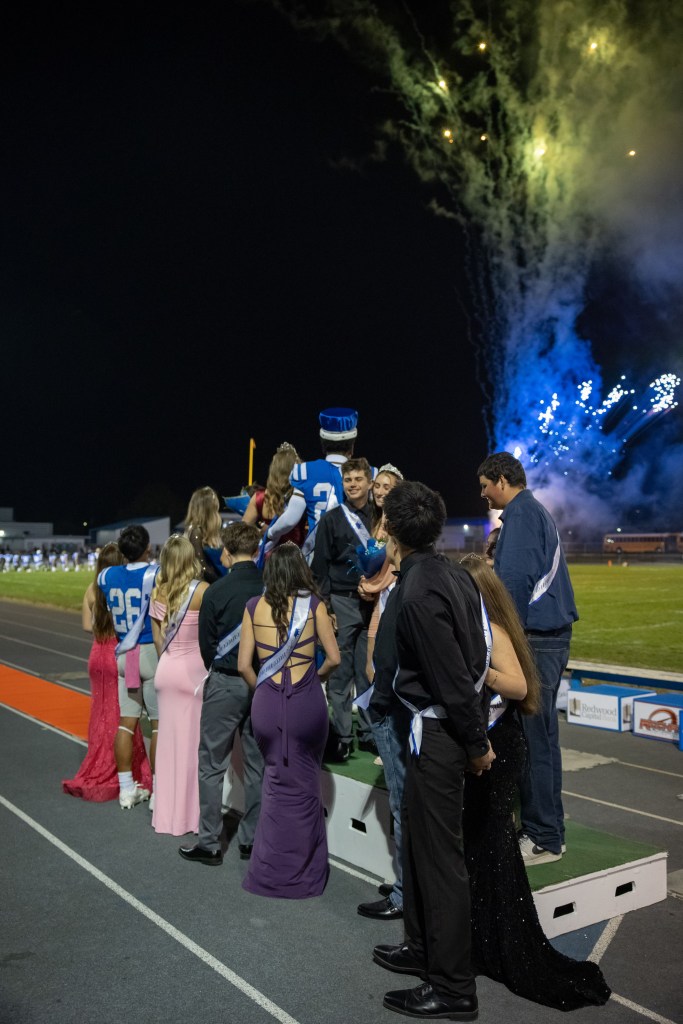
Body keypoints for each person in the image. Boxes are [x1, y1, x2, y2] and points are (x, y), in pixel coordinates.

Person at [459, 555, 610, 1010]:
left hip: (500, 748)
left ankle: (504, 942)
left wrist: (477, 669)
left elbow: (521, 688)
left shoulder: (497, 632)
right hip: (483, 745)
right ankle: (482, 939)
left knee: (493, 846)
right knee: (478, 847)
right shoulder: (474, 628)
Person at [372, 481, 493, 1023]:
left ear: (391, 529)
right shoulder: (446, 573)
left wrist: (476, 742)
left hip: (441, 734)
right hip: (435, 729)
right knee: (421, 849)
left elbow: (452, 677)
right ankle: (422, 948)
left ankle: (453, 987)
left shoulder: (421, 589)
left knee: (441, 862)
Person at [478, 452, 578, 865]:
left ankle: (543, 837)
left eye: (485, 485)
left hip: (536, 639)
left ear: (501, 480)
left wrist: (503, 642)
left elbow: (513, 585)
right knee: (543, 738)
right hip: (547, 638)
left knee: (534, 740)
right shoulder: (531, 511)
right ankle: (548, 830)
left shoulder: (520, 515)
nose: (483, 494)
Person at [238, 543, 340, 899]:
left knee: (273, 781)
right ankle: (304, 872)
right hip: (305, 702)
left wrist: (265, 690)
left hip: (266, 704)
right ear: (300, 570)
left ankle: (269, 871)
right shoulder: (315, 606)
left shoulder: (253, 606)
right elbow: (334, 658)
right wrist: (314, 678)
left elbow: (244, 666)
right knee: (307, 783)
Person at [179, 522, 265, 866]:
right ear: (256, 550)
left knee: (212, 764)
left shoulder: (215, 591)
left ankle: (210, 843)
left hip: (226, 681)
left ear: (226, 551)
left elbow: (207, 646)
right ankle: (252, 841)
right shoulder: (269, 587)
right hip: (262, 684)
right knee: (258, 766)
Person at [63, 543, 152, 801]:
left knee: (100, 712)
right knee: (126, 715)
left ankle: (99, 760)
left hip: (97, 655)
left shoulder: (91, 590)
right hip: (119, 653)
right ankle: (126, 772)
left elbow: (85, 626)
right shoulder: (118, 588)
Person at [356, 535, 409, 922]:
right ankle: (408, 885)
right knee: (404, 802)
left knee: (403, 803)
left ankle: (407, 894)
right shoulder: (408, 583)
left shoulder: (408, 586)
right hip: (401, 703)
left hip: (400, 706)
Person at [311, 457, 375, 759]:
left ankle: (368, 733)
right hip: (342, 600)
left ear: (369, 482)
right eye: (348, 480)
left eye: (358, 479)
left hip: (373, 604)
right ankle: (342, 736)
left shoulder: (380, 516)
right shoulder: (332, 519)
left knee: (368, 671)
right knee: (339, 673)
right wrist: (326, 608)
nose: (352, 484)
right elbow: (320, 566)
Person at [149, 535, 209, 835]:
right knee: (192, 748)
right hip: (192, 674)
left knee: (168, 747)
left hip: (166, 670)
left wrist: (169, 661)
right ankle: (190, 818)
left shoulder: (158, 591)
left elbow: (158, 639)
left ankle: (166, 816)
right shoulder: (202, 591)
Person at [98, 524, 159, 810]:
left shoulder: (107, 575)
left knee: (127, 723)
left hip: (124, 653)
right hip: (149, 652)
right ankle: (159, 792)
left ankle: (126, 789)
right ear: (147, 548)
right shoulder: (156, 574)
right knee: (158, 727)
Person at [264, 407, 359, 558]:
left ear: (323, 443)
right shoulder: (366, 474)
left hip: (317, 555)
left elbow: (290, 519)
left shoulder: (304, 471)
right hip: (352, 557)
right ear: (352, 446)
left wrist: (270, 534)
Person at [357, 463, 403, 681]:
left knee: (377, 664)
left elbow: (392, 566)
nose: (379, 491)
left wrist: (367, 585)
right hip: (381, 592)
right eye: (377, 485)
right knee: (372, 664)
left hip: (391, 591)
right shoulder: (378, 520)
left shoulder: (394, 522)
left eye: (387, 487)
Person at [242, 442, 307, 555]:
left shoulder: (260, 498)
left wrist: (261, 532)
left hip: (268, 560)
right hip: (295, 559)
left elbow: (242, 532)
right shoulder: (303, 497)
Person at [184, 486, 225, 584]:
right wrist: (222, 584)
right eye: (215, 508)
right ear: (208, 510)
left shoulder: (210, 533)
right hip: (201, 587)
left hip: (212, 584)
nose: (217, 513)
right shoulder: (195, 532)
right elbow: (202, 567)